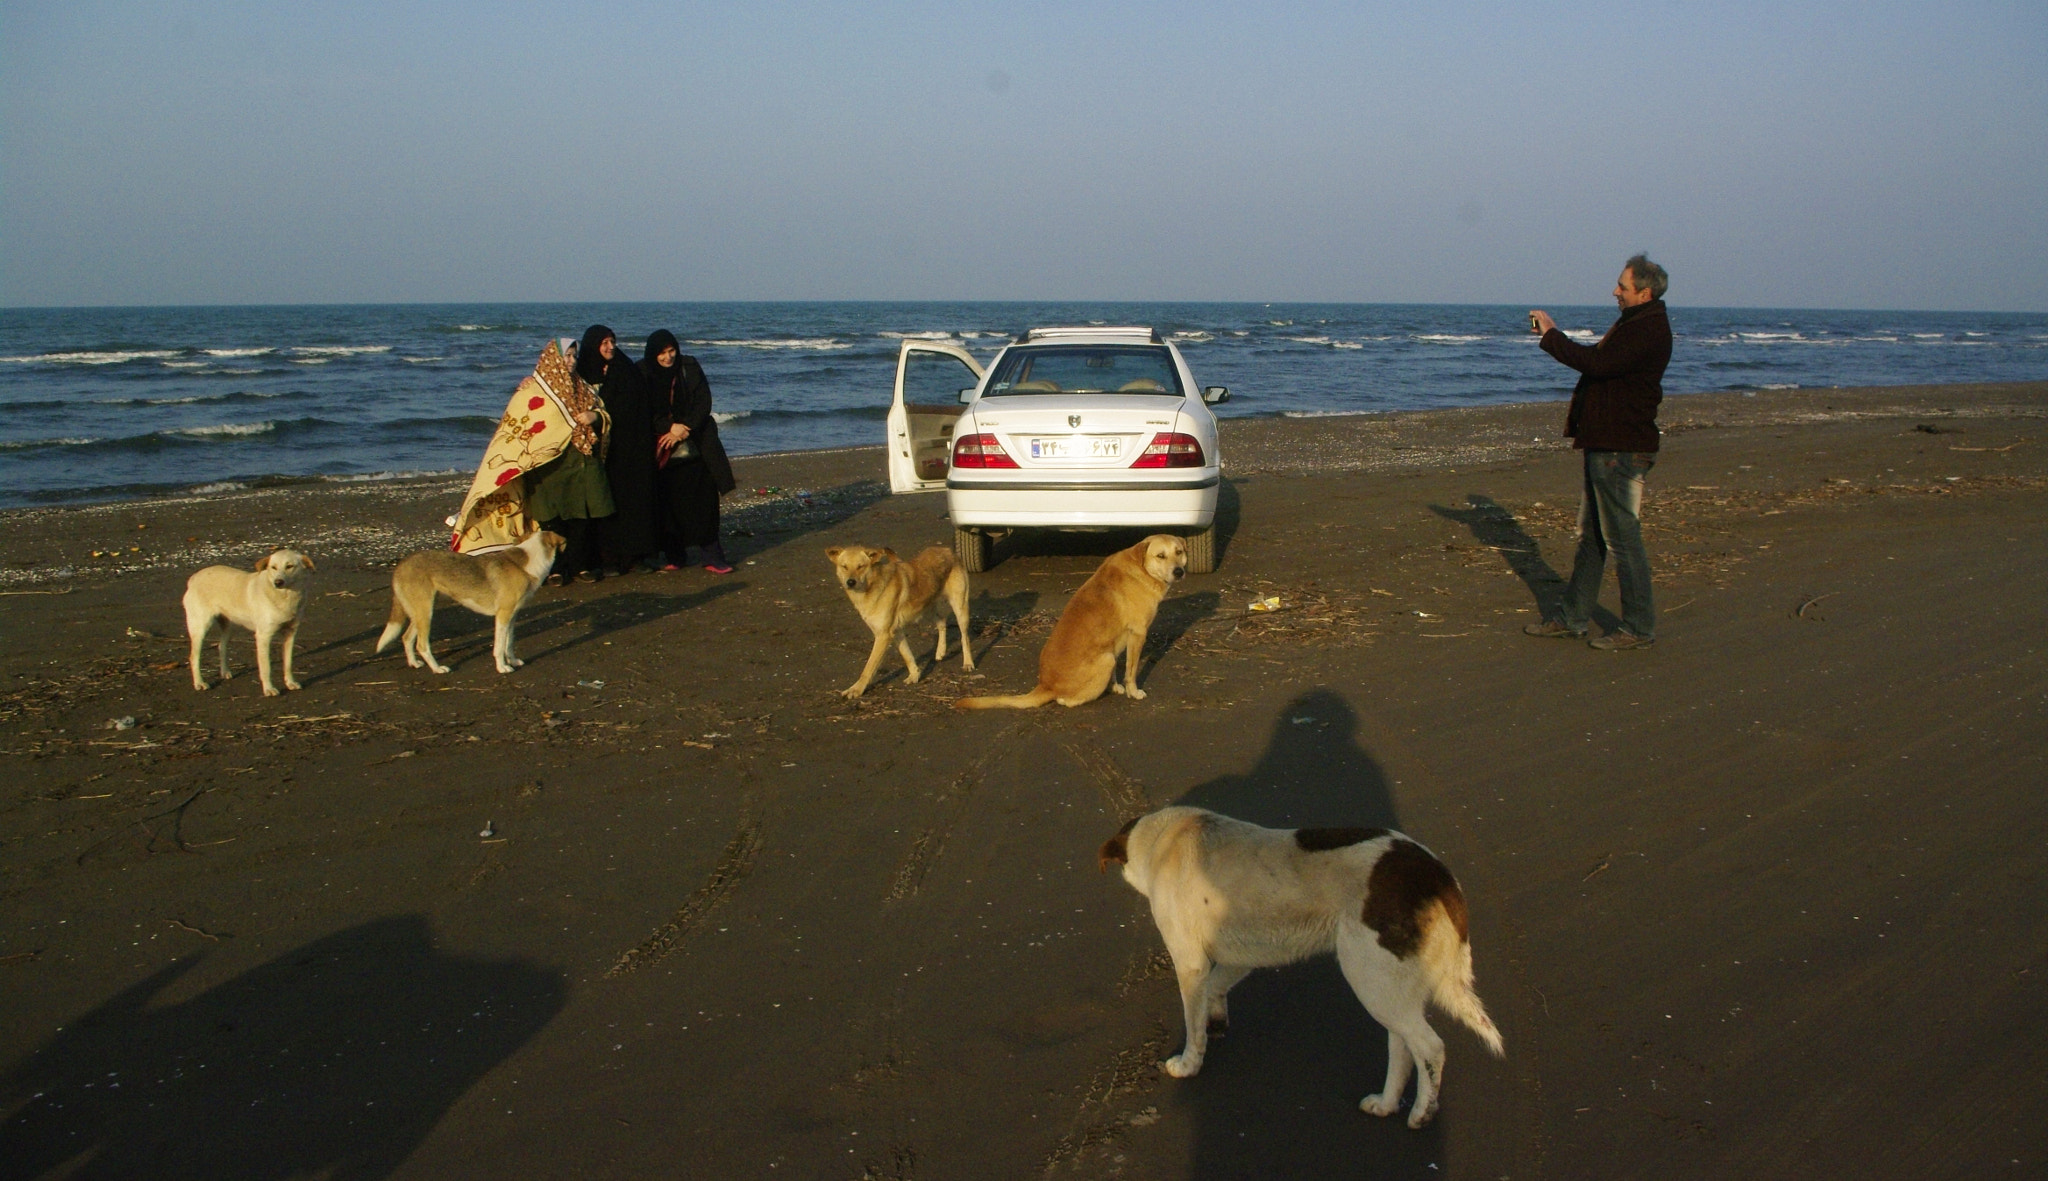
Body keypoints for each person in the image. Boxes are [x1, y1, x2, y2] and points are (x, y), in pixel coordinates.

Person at [1524, 254, 1672, 650]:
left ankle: (1639, 627)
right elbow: (1601, 363)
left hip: (1622, 449)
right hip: (1607, 445)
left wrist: (1552, 335)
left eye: (1622, 287)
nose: (1615, 292)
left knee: (1623, 541)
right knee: (1593, 538)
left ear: (1644, 292)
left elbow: (1598, 363)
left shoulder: (1648, 328)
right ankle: (1572, 617)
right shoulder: (1637, 323)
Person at [526, 325, 618, 584]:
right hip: (550, 465)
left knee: (582, 516)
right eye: (566, 356)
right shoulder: (535, 389)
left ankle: (580, 565)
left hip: (582, 462)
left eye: (574, 356)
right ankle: (555, 569)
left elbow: (603, 413)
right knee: (553, 519)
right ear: (552, 357)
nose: (571, 361)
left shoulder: (583, 387)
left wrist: (594, 417)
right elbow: (521, 422)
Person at [641, 328, 737, 573]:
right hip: (663, 450)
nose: (668, 357)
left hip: (697, 445)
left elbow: (704, 401)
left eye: (671, 350)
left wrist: (685, 428)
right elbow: (643, 410)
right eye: (662, 353)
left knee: (704, 502)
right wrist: (668, 427)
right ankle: (675, 556)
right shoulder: (642, 372)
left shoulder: (689, 366)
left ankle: (713, 557)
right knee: (669, 505)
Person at [595, 329, 661, 576]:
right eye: (604, 343)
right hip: (599, 452)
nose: (610, 347)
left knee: (634, 503)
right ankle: (607, 558)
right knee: (604, 505)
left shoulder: (625, 369)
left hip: (630, 449)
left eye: (612, 341)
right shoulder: (581, 373)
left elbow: (637, 407)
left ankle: (636, 557)